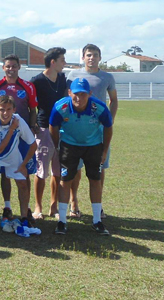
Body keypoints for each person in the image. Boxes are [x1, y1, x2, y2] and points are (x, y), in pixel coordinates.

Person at [50, 78, 113, 235]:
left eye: (83, 94)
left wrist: (104, 150)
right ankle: (62, 221)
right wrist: (57, 147)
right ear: (69, 92)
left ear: (90, 94)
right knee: (65, 180)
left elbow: (108, 127)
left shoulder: (98, 107)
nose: (79, 98)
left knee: (95, 180)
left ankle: (97, 220)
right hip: (69, 145)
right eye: (76, 94)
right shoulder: (60, 107)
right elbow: (53, 126)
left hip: (93, 145)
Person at [66, 44, 118, 219]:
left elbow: (114, 100)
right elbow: (67, 99)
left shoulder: (107, 77)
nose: (91, 58)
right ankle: (74, 203)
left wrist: (109, 121)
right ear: (83, 57)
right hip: (76, 129)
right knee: (75, 168)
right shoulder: (73, 75)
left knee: (99, 167)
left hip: (98, 131)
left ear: (100, 58)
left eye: (95, 55)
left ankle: (98, 205)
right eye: (88, 55)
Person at [0, 54, 38, 222]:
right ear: (3, 68)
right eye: (8, 66)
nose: (11, 69)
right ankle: (7, 206)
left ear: (18, 67)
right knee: (4, 174)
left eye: (14, 66)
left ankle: (27, 208)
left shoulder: (28, 86)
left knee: (24, 172)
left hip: (21, 134)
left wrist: (30, 129)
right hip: (1, 134)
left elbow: (33, 110)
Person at [0, 96, 37, 232]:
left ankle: (24, 217)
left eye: (9, 110)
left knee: (23, 183)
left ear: (14, 110)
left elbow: (33, 145)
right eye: (2, 110)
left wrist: (23, 165)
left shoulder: (19, 120)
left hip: (12, 154)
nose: (5, 113)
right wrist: (12, 129)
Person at [30, 47, 68, 220]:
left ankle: (54, 206)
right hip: (44, 129)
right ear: (53, 62)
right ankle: (38, 207)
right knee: (41, 170)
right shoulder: (36, 81)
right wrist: (34, 124)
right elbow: (31, 105)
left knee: (58, 171)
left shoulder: (62, 78)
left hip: (63, 130)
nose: (65, 63)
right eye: (62, 60)